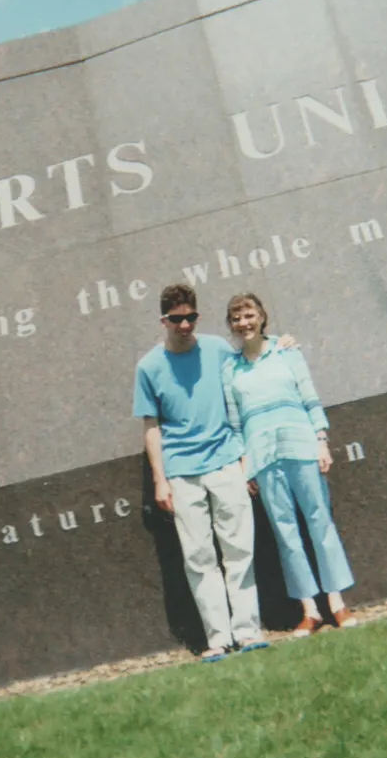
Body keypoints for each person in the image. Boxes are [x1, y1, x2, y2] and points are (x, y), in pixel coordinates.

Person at [132, 283, 290, 662]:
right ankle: (217, 639)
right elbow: (151, 426)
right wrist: (160, 479)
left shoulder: (218, 349)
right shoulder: (148, 367)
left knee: (239, 551)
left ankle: (248, 630)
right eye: (176, 319)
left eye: (190, 317)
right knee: (199, 558)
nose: (184, 325)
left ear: (197, 316)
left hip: (225, 464)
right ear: (164, 320)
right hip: (182, 474)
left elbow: (252, 360)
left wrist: (283, 346)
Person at [221, 292, 359, 637]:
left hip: (301, 446)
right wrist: (244, 464)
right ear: (231, 326)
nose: (244, 323)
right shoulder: (230, 370)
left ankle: (337, 603)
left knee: (319, 521)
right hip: (263, 457)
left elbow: (309, 397)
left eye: (249, 315)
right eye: (237, 318)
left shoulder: (286, 352)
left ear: (262, 317)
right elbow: (236, 425)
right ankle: (309, 610)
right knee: (286, 532)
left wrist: (321, 440)